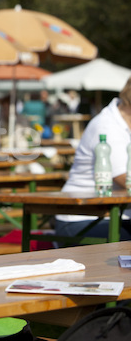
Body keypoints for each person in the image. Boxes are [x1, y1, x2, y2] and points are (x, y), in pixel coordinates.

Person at [55, 78, 131, 244]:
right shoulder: (107, 126)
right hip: (81, 219)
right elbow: (126, 179)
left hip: (114, 214)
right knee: (125, 248)